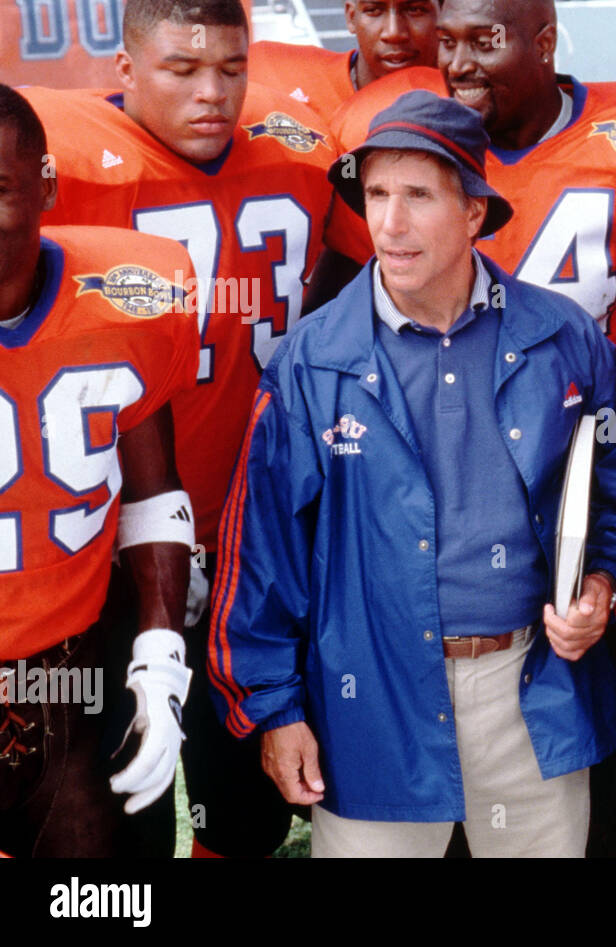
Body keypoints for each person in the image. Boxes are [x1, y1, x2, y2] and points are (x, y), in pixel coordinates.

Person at [318, 0, 616, 856]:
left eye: (488, 40)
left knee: (586, 765)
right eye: (450, 42)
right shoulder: (394, 134)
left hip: (574, 516)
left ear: (546, 43)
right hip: (413, 528)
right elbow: (335, 314)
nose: (461, 63)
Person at [209, 91, 616, 857]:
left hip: (532, 688)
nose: (388, 223)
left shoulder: (566, 339)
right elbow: (259, 551)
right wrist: (276, 709)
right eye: (377, 195)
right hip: (369, 702)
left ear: (473, 213)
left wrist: (598, 585)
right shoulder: (309, 358)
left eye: (418, 195)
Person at [22, 0, 338, 857]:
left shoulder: (307, 143)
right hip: (116, 535)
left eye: (232, 70)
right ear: (124, 71)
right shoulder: (59, 153)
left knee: (247, 790)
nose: (214, 94)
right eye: (183, 70)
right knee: (107, 798)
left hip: (264, 521)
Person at [0, 85, 200, 857]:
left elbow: (152, 497)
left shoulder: (130, 297)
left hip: (70, 678)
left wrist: (158, 660)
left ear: (47, 184)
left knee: (101, 905)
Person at [248, 0, 444, 124]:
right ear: (351, 17)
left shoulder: (466, 104)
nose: (393, 32)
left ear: (444, 16)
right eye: (374, 10)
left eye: (415, 9)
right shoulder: (272, 70)